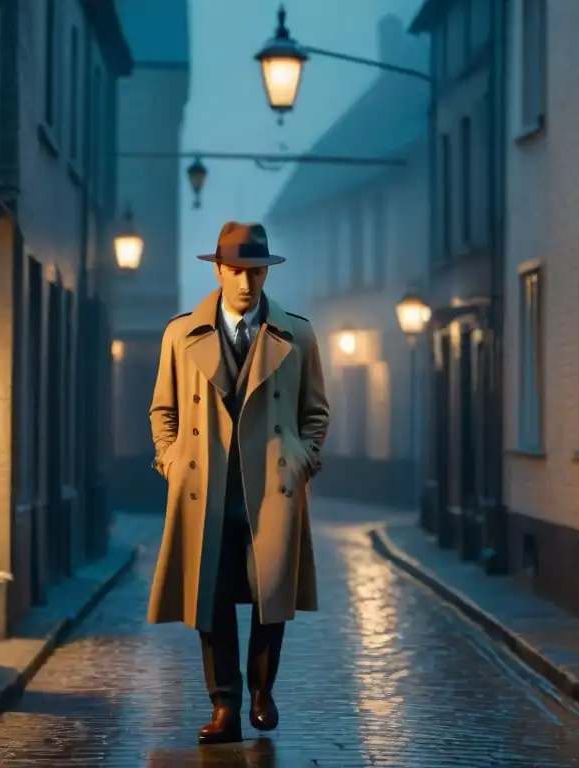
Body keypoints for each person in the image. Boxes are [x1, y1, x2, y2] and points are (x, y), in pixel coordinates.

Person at [146, 221, 330, 745]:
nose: (248, 282)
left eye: (257, 271)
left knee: (272, 595)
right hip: (205, 489)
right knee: (212, 600)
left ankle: (262, 691)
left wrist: (302, 459)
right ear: (219, 270)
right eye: (238, 271)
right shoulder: (181, 334)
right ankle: (224, 703)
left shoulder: (297, 334)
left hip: (271, 489)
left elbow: (315, 412)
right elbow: (163, 410)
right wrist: (171, 461)